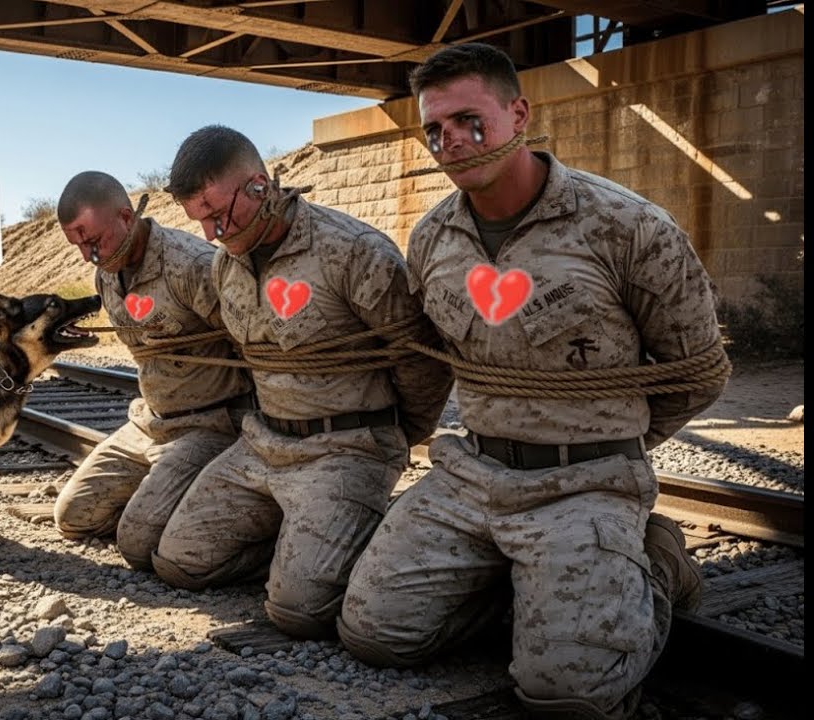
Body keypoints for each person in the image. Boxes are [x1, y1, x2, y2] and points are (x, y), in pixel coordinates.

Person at [337, 43, 729, 719]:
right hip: (473, 477)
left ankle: (654, 561)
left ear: (519, 114)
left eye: (468, 120)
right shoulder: (433, 239)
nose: (450, 140)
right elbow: (432, 356)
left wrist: (610, 440)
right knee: (375, 633)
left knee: (567, 696)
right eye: (435, 130)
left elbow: (697, 372)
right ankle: (536, 585)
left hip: (586, 484)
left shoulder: (625, 227)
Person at [153, 125, 455, 639]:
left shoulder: (354, 251)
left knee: (301, 612)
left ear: (259, 185)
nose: (211, 234)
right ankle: (312, 545)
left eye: (219, 214)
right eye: (199, 221)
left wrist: (399, 438)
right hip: (262, 446)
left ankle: (341, 544)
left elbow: (422, 361)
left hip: (344, 448)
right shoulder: (227, 265)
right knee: (178, 563)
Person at [53, 170, 255, 571]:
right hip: (151, 421)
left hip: (208, 425)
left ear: (126, 217)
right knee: (73, 518)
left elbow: (252, 345)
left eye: (92, 241)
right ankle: (165, 505)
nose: (87, 256)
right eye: (78, 246)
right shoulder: (107, 272)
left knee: (138, 544)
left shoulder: (194, 265)